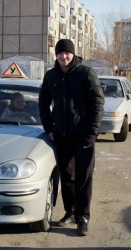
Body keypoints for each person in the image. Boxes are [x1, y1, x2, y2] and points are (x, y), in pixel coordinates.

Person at [38, 39, 104, 236]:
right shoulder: (51, 76)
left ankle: (83, 216)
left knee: (84, 176)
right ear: (56, 55)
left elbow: (97, 100)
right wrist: (49, 128)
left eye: (67, 53)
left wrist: (92, 128)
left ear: (73, 54)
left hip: (83, 135)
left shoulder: (85, 73)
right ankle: (70, 212)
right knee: (67, 176)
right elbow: (43, 104)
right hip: (61, 134)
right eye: (60, 54)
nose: (63, 57)